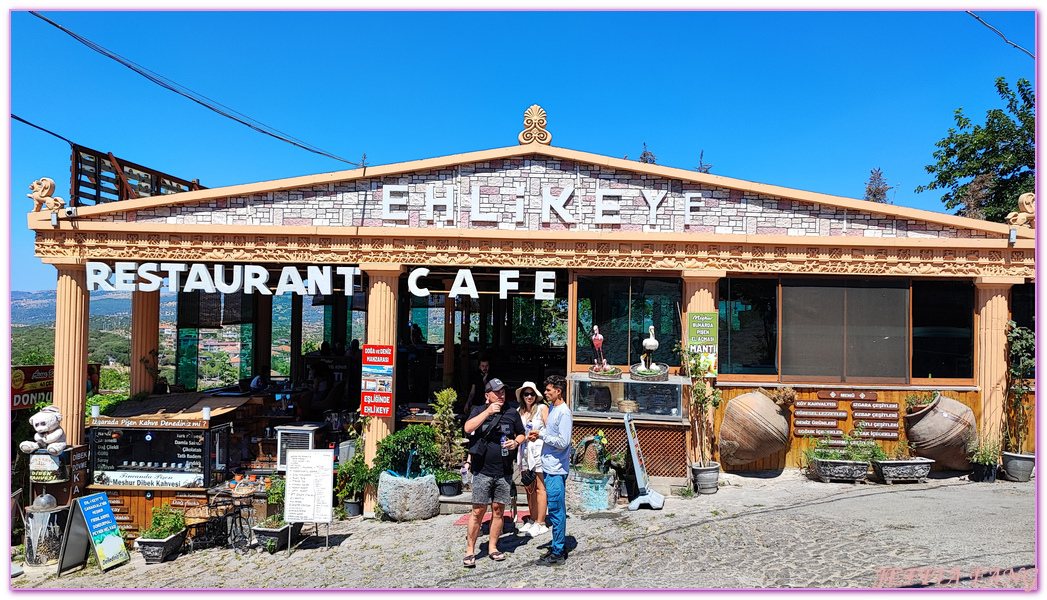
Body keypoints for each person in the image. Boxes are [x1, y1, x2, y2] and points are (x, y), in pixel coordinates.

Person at [462, 378, 525, 568]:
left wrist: (517, 442)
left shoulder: (512, 412)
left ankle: (493, 547)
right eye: (497, 392)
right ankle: (470, 550)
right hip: (482, 471)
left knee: (498, 510)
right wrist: (488, 411)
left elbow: (521, 433)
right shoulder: (478, 411)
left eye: (503, 392)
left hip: (504, 471)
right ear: (487, 395)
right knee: (478, 511)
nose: (501, 395)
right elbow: (467, 428)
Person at [530, 374, 572, 566]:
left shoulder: (563, 412)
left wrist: (542, 436)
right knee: (554, 508)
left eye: (548, 390)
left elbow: (563, 442)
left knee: (555, 510)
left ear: (558, 391)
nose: (545, 393)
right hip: (549, 466)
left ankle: (558, 552)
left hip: (556, 469)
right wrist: (540, 435)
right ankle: (557, 545)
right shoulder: (553, 408)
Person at [516, 381, 549, 537]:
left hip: (538, 451)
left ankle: (541, 522)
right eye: (526, 394)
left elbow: (549, 430)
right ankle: (533, 518)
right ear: (522, 396)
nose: (529, 396)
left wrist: (538, 435)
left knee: (540, 487)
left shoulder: (542, 409)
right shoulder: (519, 412)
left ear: (536, 396)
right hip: (524, 452)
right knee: (529, 487)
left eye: (531, 394)